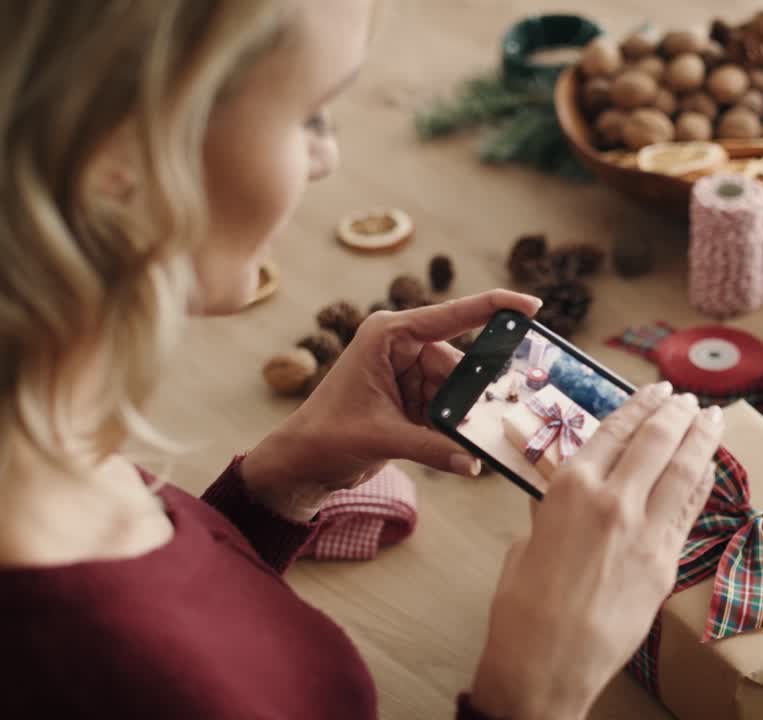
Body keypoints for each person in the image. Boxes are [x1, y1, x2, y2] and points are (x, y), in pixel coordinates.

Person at [0, 2, 724, 719]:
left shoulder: (44, 452)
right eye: (311, 114)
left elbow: (191, 610)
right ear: (121, 160)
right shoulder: (112, 656)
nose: (328, 158)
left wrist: (277, 488)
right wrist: (535, 694)